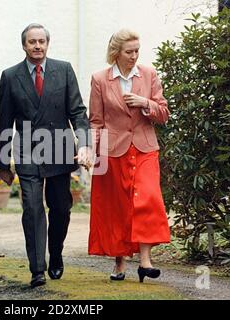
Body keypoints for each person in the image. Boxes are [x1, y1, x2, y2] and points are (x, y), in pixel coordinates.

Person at [0, 23, 92, 288]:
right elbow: (4, 123)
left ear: (47, 44)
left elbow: (78, 112)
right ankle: (37, 269)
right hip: (27, 150)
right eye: (32, 42)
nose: (37, 46)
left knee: (61, 207)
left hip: (61, 148)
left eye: (41, 41)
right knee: (32, 208)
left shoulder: (63, 70)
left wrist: (84, 144)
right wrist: (4, 164)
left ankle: (57, 254)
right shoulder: (10, 76)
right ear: (24, 45)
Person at [88, 29, 171, 283]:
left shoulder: (149, 75)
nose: (134, 56)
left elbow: (164, 113)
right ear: (116, 52)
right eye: (129, 51)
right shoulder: (100, 79)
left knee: (147, 199)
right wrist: (93, 153)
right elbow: (96, 122)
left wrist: (145, 103)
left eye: (137, 50)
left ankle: (145, 262)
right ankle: (120, 262)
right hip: (113, 151)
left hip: (145, 148)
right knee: (117, 207)